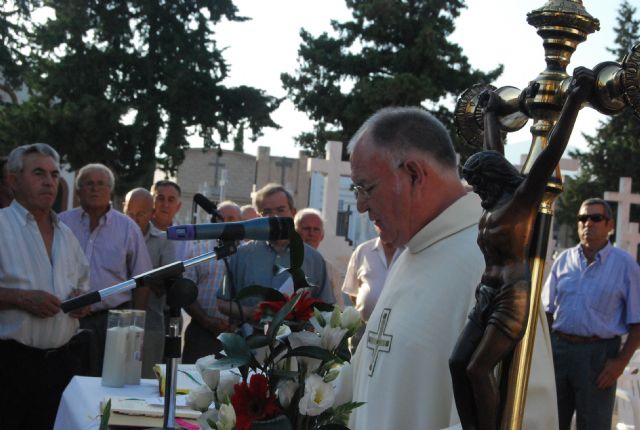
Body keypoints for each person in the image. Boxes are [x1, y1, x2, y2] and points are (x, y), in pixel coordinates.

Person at [344, 106, 557, 430]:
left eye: (365, 188)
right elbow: (364, 379)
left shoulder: (486, 263)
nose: (360, 204)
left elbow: (525, 418)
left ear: (414, 174)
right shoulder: (411, 255)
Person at [448, 67, 594, 430]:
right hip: (486, 293)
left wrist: (574, 101)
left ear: (491, 180)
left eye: (479, 183)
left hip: (512, 295)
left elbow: (551, 152)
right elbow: (491, 151)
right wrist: (491, 114)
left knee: (479, 369)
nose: (476, 191)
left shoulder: (521, 199)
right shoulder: (491, 205)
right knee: (456, 363)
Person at [0, 143, 90, 429]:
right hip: (10, 365)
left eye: (53, 174)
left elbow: (82, 285)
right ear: (13, 180)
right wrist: (21, 299)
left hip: (61, 365)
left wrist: (81, 300)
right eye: (39, 173)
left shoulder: (67, 235)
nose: (49, 181)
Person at [543, 198, 640, 430]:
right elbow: (546, 311)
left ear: (609, 225)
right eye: (582, 218)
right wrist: (545, 355)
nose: (588, 223)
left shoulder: (625, 266)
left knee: (593, 424)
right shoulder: (563, 260)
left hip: (599, 356)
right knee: (552, 421)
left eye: (596, 218)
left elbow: (637, 321)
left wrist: (620, 362)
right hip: (560, 350)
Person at [59, 163, 152, 376]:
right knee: (64, 379)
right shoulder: (62, 223)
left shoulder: (127, 227)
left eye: (101, 183)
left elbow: (143, 279)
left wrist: (136, 325)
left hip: (110, 322)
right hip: (65, 317)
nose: (94, 188)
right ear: (79, 189)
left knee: (106, 382)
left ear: (110, 190)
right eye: (88, 183)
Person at [218, 184, 335, 325]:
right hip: (250, 342)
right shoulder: (242, 255)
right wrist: (249, 311)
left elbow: (326, 307)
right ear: (258, 216)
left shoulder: (313, 258)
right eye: (267, 211)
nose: (274, 216)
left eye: (281, 210)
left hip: (297, 343)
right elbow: (222, 302)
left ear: (293, 212)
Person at [123, 187, 177, 378]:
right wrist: (146, 280)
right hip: (117, 323)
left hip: (151, 325)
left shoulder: (163, 241)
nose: (134, 219)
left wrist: (138, 279)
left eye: (140, 214)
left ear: (152, 213)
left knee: (145, 381)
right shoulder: (116, 237)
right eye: (130, 213)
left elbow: (166, 283)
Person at [181, 200, 241, 363]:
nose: (229, 223)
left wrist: (235, 325)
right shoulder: (198, 251)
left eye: (233, 218)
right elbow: (186, 293)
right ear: (215, 222)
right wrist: (207, 322)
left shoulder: (247, 254)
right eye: (224, 218)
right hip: (201, 333)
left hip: (237, 336)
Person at [295, 207, 347, 308]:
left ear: (322, 236)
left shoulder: (331, 271)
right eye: (306, 228)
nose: (311, 234)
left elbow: (338, 309)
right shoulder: (284, 262)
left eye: (316, 229)